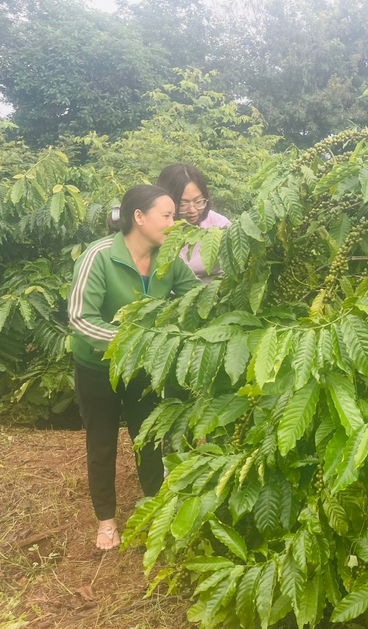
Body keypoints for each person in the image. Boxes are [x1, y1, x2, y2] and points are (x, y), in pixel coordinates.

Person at [68, 185, 201, 550]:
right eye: (168, 215)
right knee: (102, 440)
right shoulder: (100, 256)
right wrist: (135, 340)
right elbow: (81, 319)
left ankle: (155, 508)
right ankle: (106, 520)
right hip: (98, 367)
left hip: (144, 367)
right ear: (138, 217)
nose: (175, 222)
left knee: (148, 437)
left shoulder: (168, 258)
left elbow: (195, 298)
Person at [156, 163, 231, 283]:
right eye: (183, 204)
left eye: (198, 201)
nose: (192, 210)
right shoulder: (157, 228)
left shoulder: (220, 226)